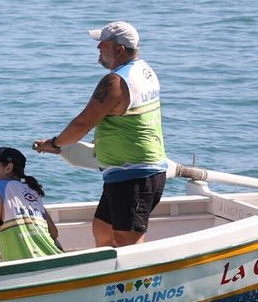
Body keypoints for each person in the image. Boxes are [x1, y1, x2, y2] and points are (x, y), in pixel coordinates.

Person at [32, 22, 166, 247]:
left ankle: (133, 280)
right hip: (129, 172)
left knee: (128, 241)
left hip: (134, 174)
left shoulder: (115, 81)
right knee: (102, 228)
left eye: (103, 44)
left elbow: (82, 124)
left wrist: (55, 144)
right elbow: (128, 119)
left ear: (119, 49)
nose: (98, 49)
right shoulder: (145, 70)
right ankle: (112, 276)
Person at [0, 146, 62, 264]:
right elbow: (54, 232)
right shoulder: (33, 190)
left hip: (26, 264)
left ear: (9, 168)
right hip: (53, 258)